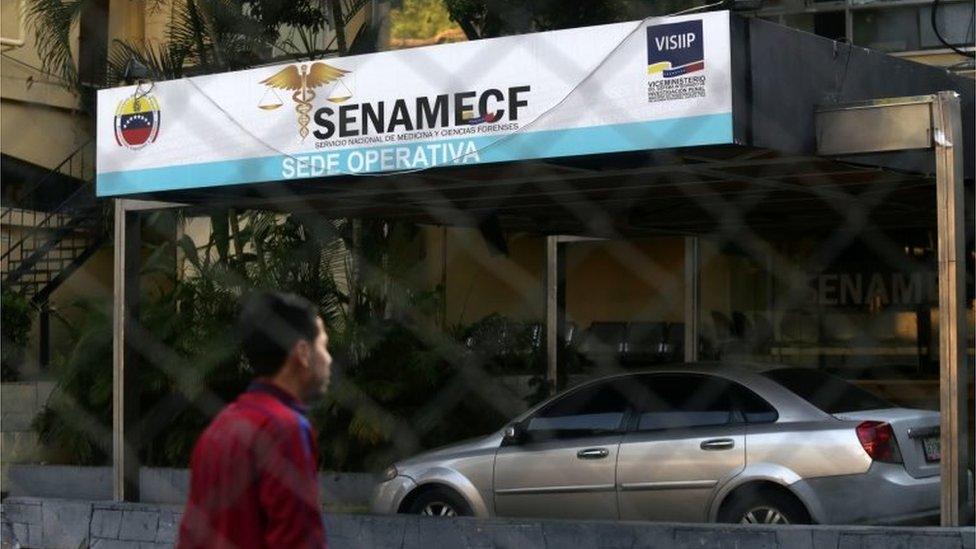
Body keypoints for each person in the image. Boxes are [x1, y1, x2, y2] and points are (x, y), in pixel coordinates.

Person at [177, 291, 332, 549]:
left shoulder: (219, 427)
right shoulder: (287, 428)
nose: (328, 359)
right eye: (323, 346)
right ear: (303, 353)